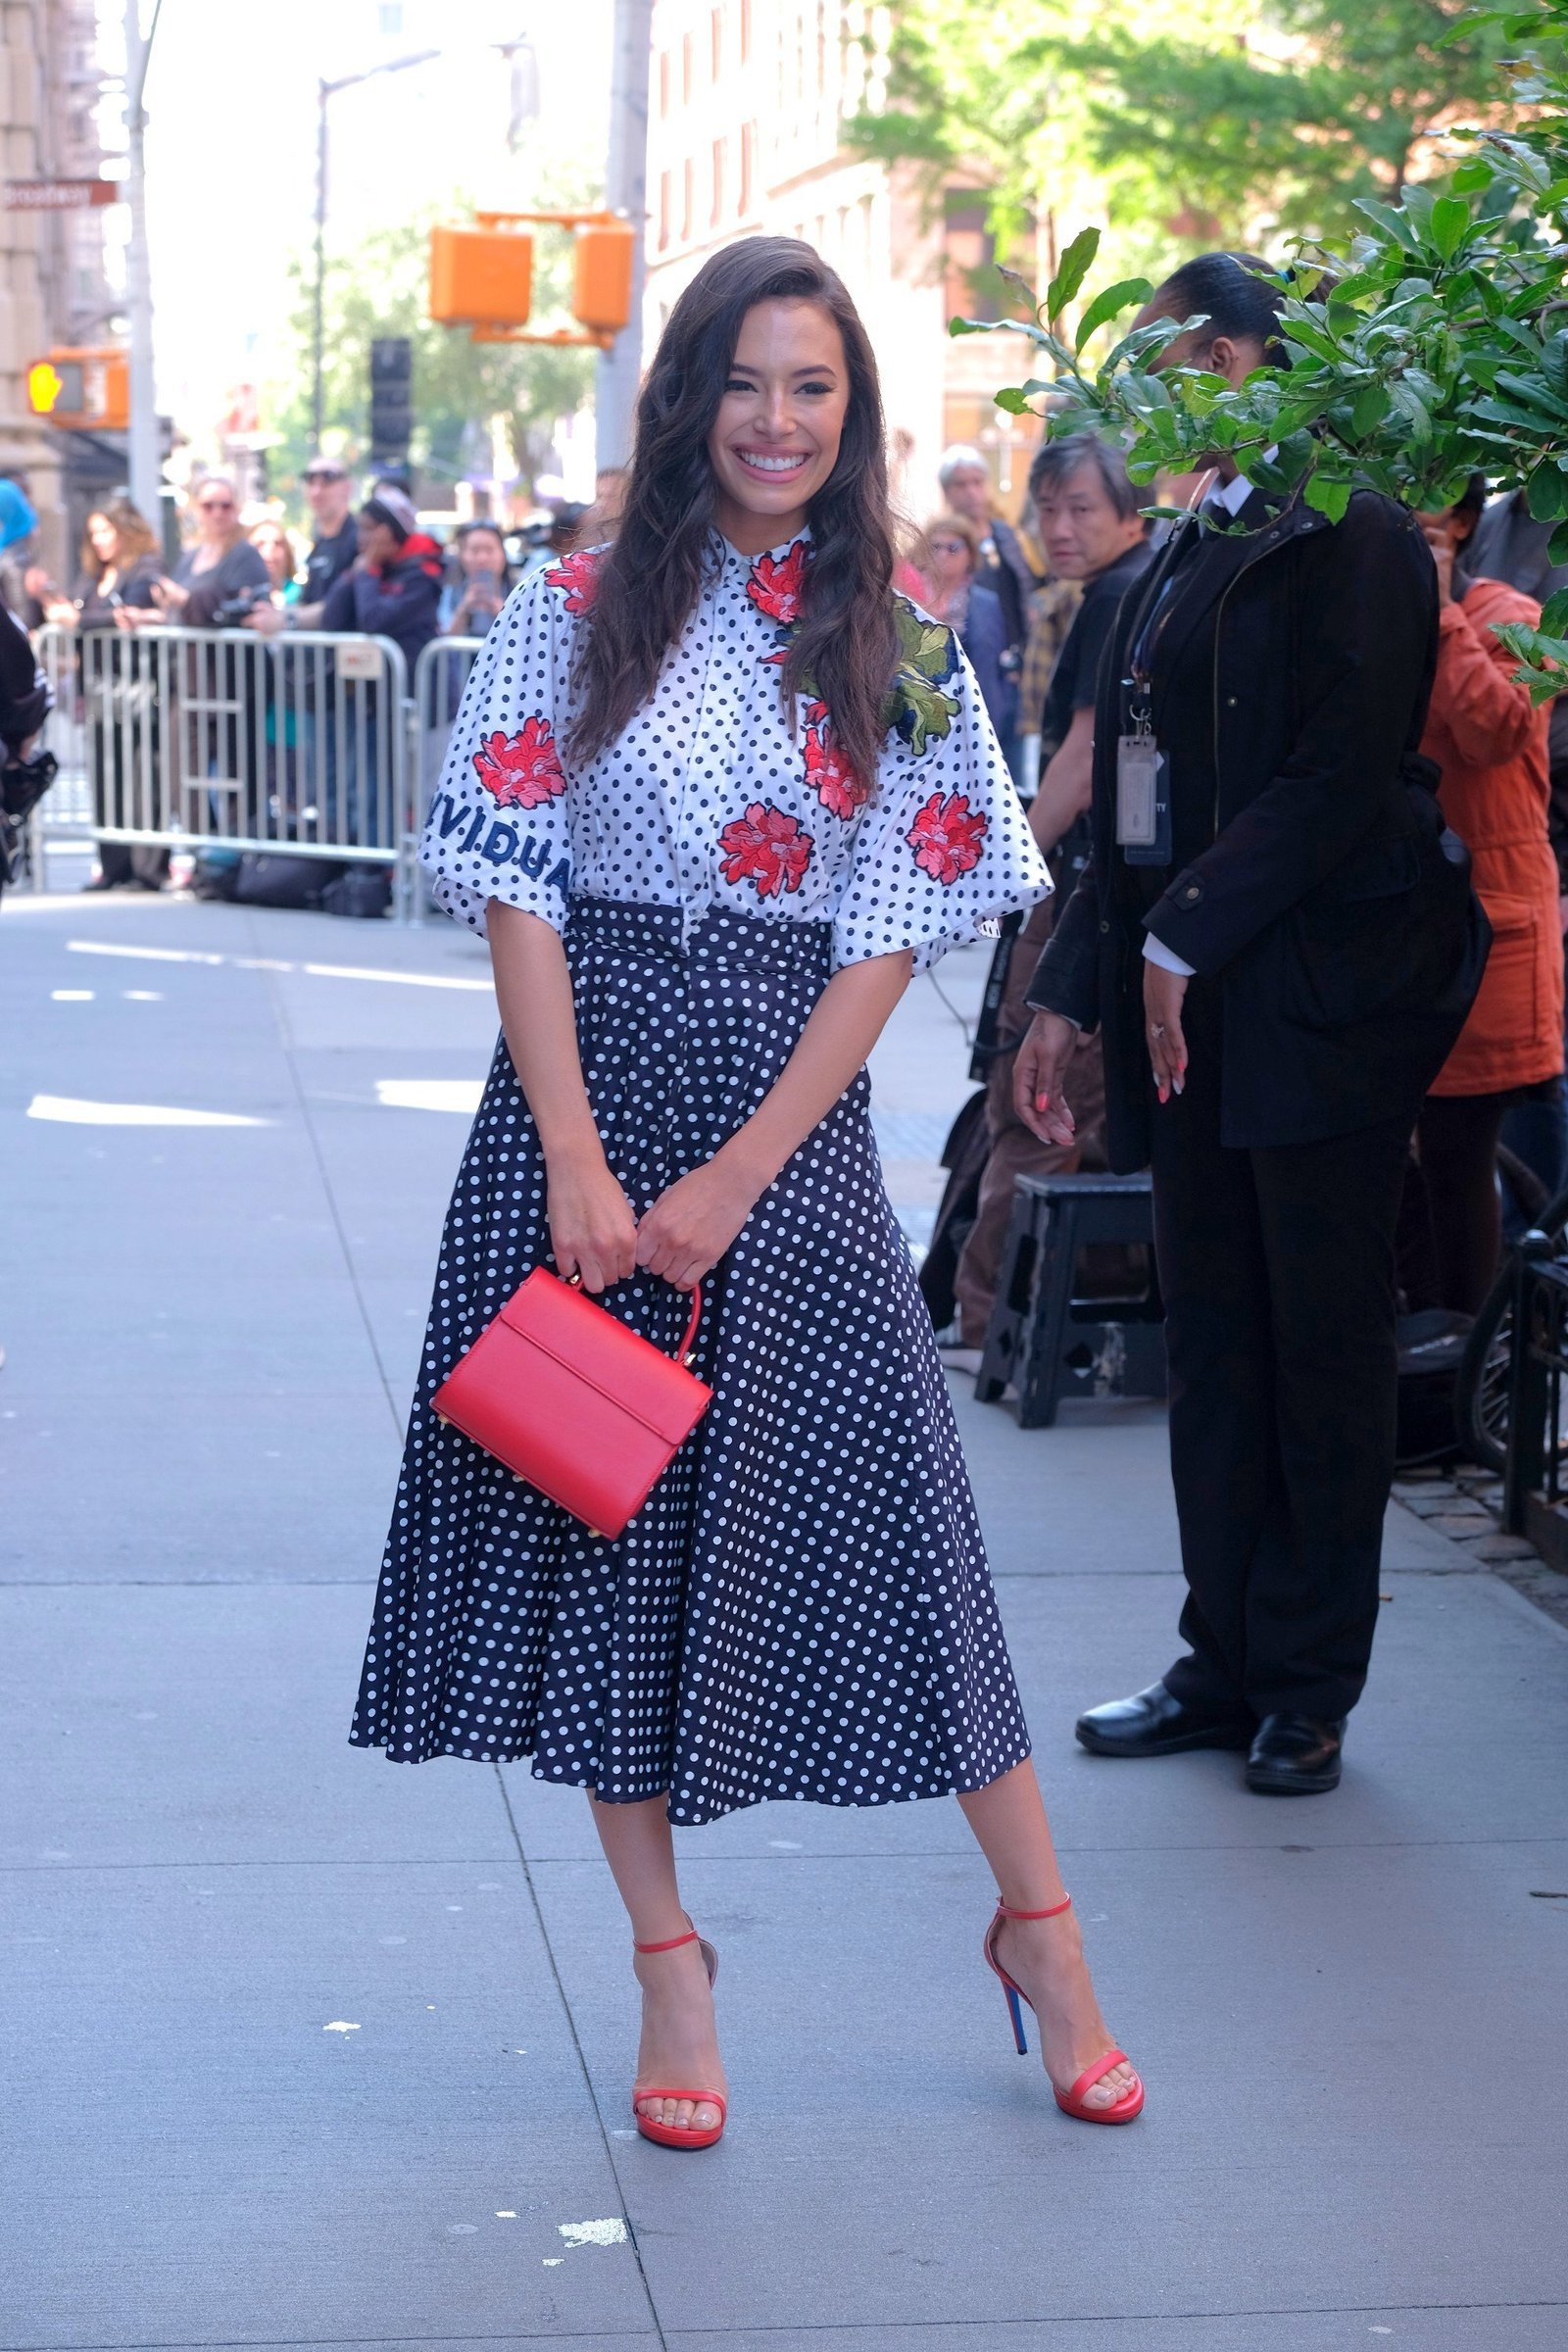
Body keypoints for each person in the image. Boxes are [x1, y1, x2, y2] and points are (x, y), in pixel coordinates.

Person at [351, 234, 1146, 2140]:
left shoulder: (893, 629)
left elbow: (888, 918)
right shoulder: (563, 605)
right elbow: (516, 876)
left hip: (778, 1121)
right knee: (600, 1529)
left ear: (848, 414)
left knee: (901, 1533)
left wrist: (735, 1172)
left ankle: (1038, 1928)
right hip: (578, 1105)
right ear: (686, 393)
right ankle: (666, 1967)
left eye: (813, 387)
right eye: (745, 381)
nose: (776, 421)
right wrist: (574, 1155)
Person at [1017, 250, 1487, 1798]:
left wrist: (1185, 936)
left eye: (1160, 362)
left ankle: (1306, 1681)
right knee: (1213, 1339)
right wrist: (1072, 990)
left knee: (1319, 1343)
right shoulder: (1172, 559)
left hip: (1323, 1008)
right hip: (1186, 1017)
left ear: (1235, 359)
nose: (1137, 396)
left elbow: (1339, 780)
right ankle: (1219, 1656)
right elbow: (1132, 817)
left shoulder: (1353, 537)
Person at [952, 433, 1155, 1348]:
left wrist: (1006, 873)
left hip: (1079, 890)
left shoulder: (1117, 594)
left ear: (1131, 511)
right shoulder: (1128, 586)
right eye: (1047, 508)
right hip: (1110, 888)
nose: (1060, 527)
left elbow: (1079, 766)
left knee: (1029, 1105)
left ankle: (989, 1316)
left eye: (1081, 508)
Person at [1412, 478, 1563, 1311]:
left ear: (1462, 524)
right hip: (1409, 922)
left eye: (1422, 511)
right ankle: (1438, 1366)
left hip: (1493, 928)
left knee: (1463, 1155)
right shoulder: (1379, 612)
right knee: (1423, 1164)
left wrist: (1440, 617)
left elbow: (1496, 729)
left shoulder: (1515, 616)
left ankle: (1479, 1363)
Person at [1467, 486, 1568, 1212]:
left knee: (1535, 1073)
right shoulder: (1499, 519)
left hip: (1541, 823)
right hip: (1498, 829)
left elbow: (1515, 714)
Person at [46, 498, 168, 892]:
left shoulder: (145, 568)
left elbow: (130, 614)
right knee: (105, 777)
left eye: (106, 531)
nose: (98, 541)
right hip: (99, 691)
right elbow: (79, 613)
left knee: (140, 779)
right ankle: (113, 866)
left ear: (125, 529)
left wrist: (79, 620)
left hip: (138, 686)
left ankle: (146, 868)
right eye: (94, 533)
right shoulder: (93, 575)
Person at [318, 486, 443, 670]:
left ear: (391, 532)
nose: (360, 538)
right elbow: (330, 619)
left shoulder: (422, 575)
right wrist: (359, 572)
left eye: (369, 529)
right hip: (374, 691)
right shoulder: (370, 566)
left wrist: (368, 571)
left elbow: (373, 621)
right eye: (359, 528)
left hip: (416, 688)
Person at [919, 511, 1016, 741]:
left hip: (971, 718)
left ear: (970, 555)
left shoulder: (986, 603)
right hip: (920, 718)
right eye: (935, 547)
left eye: (953, 548)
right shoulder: (909, 596)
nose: (943, 554)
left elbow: (990, 666)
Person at [938, 444, 1039, 651]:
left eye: (977, 482)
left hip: (1015, 644)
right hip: (973, 646)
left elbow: (1024, 583)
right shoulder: (944, 541)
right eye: (961, 485)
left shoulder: (1004, 532)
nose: (972, 492)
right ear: (947, 491)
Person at [247, 457, 358, 637]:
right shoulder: (320, 543)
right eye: (310, 481)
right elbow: (309, 600)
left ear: (347, 487)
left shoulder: (358, 539)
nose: (317, 491)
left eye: (327, 481)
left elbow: (340, 604)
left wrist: (286, 620)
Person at [141, 476, 270, 628]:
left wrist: (184, 599)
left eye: (226, 506)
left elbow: (242, 610)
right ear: (197, 509)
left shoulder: (246, 555)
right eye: (208, 506)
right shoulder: (190, 556)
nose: (217, 514)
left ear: (236, 508)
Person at [439, 519, 512, 639]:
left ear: (503, 555)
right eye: (475, 550)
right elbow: (443, 635)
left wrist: (500, 611)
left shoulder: (519, 593)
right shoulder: (451, 591)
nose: (482, 558)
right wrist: (464, 608)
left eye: (489, 550)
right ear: (461, 556)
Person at [249, 519, 301, 606]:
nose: (269, 550)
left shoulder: (302, 595)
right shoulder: (236, 596)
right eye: (260, 544)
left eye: (277, 544)